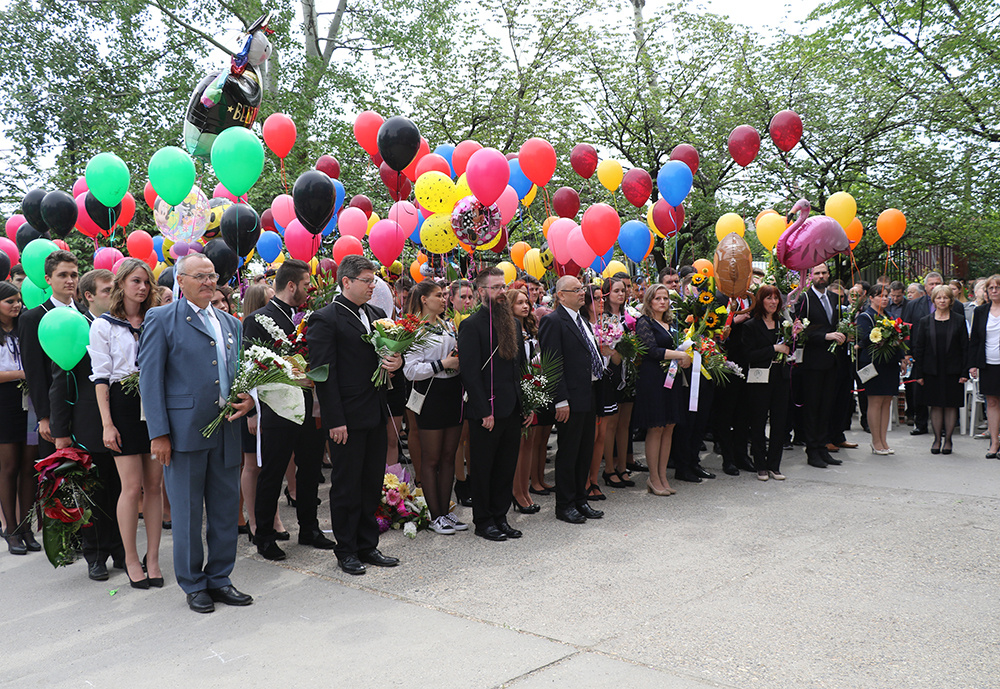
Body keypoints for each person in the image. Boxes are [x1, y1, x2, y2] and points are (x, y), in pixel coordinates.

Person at [138, 254, 255, 613]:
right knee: (188, 513)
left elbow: (240, 371)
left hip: (227, 430)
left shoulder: (230, 322)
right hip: (184, 432)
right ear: (181, 281)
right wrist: (159, 434)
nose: (208, 282)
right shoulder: (162, 318)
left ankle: (220, 578)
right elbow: (150, 380)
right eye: (200, 276)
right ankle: (193, 583)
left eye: (212, 276)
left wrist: (249, 399)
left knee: (224, 509)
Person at [308, 255, 402, 575]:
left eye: (374, 280)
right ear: (346, 282)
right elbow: (324, 374)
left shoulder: (377, 314)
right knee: (347, 484)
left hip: (375, 410)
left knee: (371, 481)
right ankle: (346, 549)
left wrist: (396, 361)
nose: (373, 286)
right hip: (346, 416)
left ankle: (367, 543)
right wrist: (335, 420)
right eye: (367, 281)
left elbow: (389, 355)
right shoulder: (325, 318)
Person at [242, 259, 334, 560]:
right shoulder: (258, 319)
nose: (310, 290)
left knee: (310, 469)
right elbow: (252, 367)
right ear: (291, 285)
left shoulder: (307, 317)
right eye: (306, 285)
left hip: (308, 404)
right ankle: (264, 535)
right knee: (273, 472)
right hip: (277, 408)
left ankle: (309, 527)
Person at [89, 259, 162, 588]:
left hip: (155, 402)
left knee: (155, 486)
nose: (142, 287)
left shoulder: (156, 319)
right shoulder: (103, 325)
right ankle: (131, 559)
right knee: (131, 488)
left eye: (146, 282)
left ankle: (154, 558)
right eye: (135, 281)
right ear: (120, 284)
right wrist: (107, 424)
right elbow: (101, 378)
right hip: (122, 404)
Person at [49, 269, 125, 578]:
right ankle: (96, 554)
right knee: (93, 492)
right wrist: (61, 433)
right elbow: (60, 384)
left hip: (123, 422)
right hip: (89, 426)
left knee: (122, 490)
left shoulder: (122, 325)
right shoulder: (76, 328)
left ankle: (122, 551)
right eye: (107, 290)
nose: (114, 294)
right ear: (89, 296)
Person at [459, 268, 525, 541]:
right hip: (487, 410)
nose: (501, 292)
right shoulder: (471, 325)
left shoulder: (514, 324)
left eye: (503, 286)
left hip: (512, 407)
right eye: (495, 287)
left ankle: (501, 516)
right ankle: (484, 520)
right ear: (481, 292)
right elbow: (470, 373)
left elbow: (519, 369)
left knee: (506, 467)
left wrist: (525, 405)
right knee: (483, 468)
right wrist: (484, 410)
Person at [538, 275, 607, 524]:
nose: (581, 293)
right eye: (575, 289)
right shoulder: (553, 321)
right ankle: (565, 504)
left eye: (582, 288)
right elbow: (552, 364)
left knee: (584, 450)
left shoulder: (583, 320)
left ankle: (580, 499)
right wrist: (560, 400)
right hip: (569, 397)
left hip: (588, 393)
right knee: (569, 452)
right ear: (561, 295)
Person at [402, 281, 466, 535]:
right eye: (438, 295)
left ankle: (445, 511)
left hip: (453, 391)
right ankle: (435, 514)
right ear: (424, 299)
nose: (443, 299)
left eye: (444, 295)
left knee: (450, 455)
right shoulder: (414, 330)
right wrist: (443, 364)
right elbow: (410, 370)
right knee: (431, 458)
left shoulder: (448, 324)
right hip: (431, 393)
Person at [236, 283, 287, 543]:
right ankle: (254, 520)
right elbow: (246, 371)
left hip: (274, 403)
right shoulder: (250, 325)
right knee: (252, 465)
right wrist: (252, 413)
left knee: (270, 466)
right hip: (253, 406)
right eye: (270, 298)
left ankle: (274, 517)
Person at [19, 250, 79, 466]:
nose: (70, 280)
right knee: (57, 473)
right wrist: (43, 416)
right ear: (48, 279)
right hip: (53, 412)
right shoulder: (32, 318)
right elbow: (33, 372)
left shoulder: (86, 315)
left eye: (74, 275)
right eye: (63, 275)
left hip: (86, 408)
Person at [633, 284, 689, 495]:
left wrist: (686, 357)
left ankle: (663, 476)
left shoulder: (671, 323)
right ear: (649, 301)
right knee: (656, 427)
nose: (662, 302)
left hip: (672, 379)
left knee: (669, 426)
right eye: (658, 298)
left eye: (665, 298)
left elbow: (680, 347)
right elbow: (651, 350)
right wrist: (679, 355)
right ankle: (653, 478)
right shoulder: (644, 322)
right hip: (653, 379)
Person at [793, 263, 847, 469]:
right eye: (817, 273)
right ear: (810, 277)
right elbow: (799, 330)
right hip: (812, 362)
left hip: (833, 361)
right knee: (813, 407)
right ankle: (812, 450)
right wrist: (825, 336)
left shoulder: (834, 297)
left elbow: (837, 324)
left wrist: (845, 333)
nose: (821, 276)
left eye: (824, 273)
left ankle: (823, 448)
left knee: (827, 406)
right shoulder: (803, 299)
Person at [903, 271, 965, 436]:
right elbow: (906, 330)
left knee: (946, 396)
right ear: (925, 287)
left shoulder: (957, 306)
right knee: (919, 391)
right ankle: (920, 424)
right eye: (931, 284)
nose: (934, 286)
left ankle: (945, 428)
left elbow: (962, 337)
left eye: (938, 283)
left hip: (949, 358)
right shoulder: (913, 305)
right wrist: (907, 352)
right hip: (922, 355)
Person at [912, 285, 969, 455]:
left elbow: (965, 347)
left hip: (953, 370)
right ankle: (937, 439)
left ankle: (948, 440)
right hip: (932, 370)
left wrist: (964, 372)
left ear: (951, 300)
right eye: (939, 297)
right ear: (933, 300)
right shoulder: (925, 321)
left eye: (945, 297)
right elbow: (919, 348)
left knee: (951, 406)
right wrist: (919, 373)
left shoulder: (959, 320)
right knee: (935, 405)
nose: (942, 301)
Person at [0, 281, 35, 555]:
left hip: (30, 400)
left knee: (29, 465)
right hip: (4, 402)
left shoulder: (25, 326)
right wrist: (23, 374)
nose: (16, 305)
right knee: (9, 466)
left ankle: (26, 527)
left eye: (18, 300)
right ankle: (10, 529)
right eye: (9, 301)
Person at [743, 285, 790, 480]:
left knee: (779, 422)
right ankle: (760, 464)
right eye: (769, 298)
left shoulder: (783, 324)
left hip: (781, 377)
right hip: (760, 379)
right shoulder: (751, 325)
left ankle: (774, 465)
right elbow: (748, 354)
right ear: (760, 301)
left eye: (776, 298)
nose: (773, 302)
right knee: (758, 420)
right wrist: (774, 349)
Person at [855, 283, 903, 455]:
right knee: (875, 401)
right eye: (880, 296)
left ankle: (884, 440)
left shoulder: (890, 316)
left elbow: (898, 339)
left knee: (887, 401)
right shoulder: (865, 316)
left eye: (886, 296)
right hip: (874, 363)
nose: (885, 299)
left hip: (890, 364)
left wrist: (902, 357)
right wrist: (882, 336)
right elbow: (864, 339)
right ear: (871, 298)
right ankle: (876, 441)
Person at [509, 286, 543, 514]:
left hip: (534, 385)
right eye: (519, 302)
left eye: (526, 302)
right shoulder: (509, 330)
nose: (525, 306)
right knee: (519, 445)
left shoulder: (530, 328)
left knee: (530, 442)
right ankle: (516, 492)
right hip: (518, 388)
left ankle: (525, 490)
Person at [602, 277, 637, 489]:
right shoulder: (603, 318)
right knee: (611, 424)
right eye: (616, 291)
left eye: (623, 290)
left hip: (629, 372)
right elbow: (604, 346)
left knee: (625, 424)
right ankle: (609, 469)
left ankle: (622, 467)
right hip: (611, 372)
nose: (621, 294)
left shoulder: (629, 316)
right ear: (607, 294)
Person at [967, 275, 1000, 459]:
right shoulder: (980, 311)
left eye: (998, 287)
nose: (994, 291)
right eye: (991, 288)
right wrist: (973, 364)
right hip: (988, 364)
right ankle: (994, 442)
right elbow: (975, 340)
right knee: (992, 402)